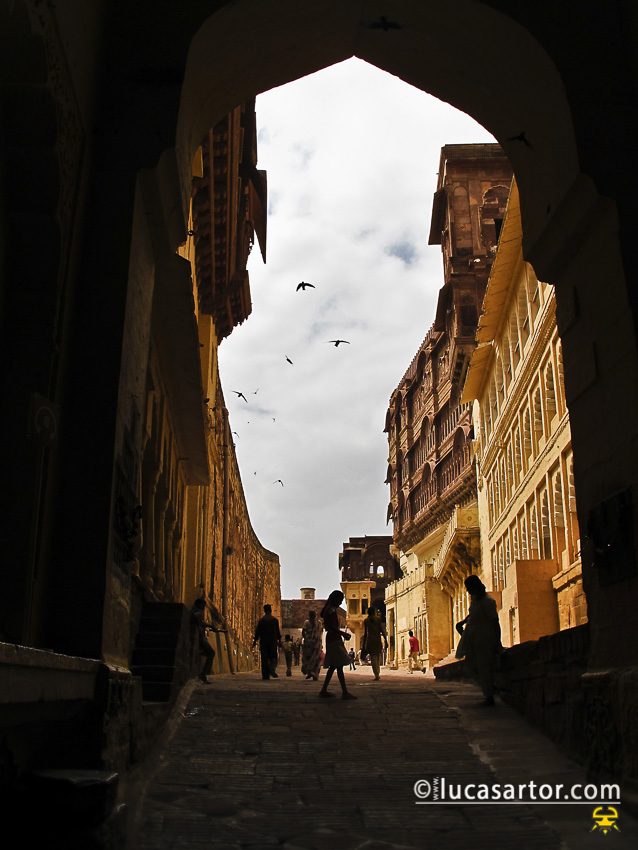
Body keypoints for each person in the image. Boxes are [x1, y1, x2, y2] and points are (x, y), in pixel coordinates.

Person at [455, 575, 502, 705]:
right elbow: (473, 613)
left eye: (469, 588)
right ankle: (490, 690)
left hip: (484, 638)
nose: (468, 591)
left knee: (484, 666)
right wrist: (464, 622)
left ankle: (489, 696)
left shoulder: (488, 601)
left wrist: (498, 642)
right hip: (473, 638)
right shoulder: (475, 599)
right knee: (471, 666)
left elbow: (494, 622)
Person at [318, 590, 356, 699]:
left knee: (335, 666)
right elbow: (331, 627)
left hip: (332, 639)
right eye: (339, 601)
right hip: (334, 639)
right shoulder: (331, 610)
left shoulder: (328, 609)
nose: (340, 603)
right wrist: (343, 633)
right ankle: (344, 692)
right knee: (338, 666)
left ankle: (325, 690)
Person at [190, 597, 216, 684]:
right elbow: (199, 622)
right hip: (200, 637)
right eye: (203, 605)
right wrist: (209, 626)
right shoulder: (197, 612)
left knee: (208, 653)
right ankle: (203, 674)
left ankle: (203, 674)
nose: (204, 608)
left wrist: (210, 626)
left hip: (200, 636)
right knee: (211, 653)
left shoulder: (195, 611)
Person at [253, 604, 282, 680]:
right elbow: (278, 632)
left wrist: (255, 640)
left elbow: (258, 632)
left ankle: (265, 674)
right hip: (272, 641)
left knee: (264, 658)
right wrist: (280, 641)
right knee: (273, 657)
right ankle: (272, 669)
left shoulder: (262, 620)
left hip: (264, 642)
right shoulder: (274, 620)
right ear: (271, 610)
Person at [363, 607, 387, 681]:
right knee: (378, 656)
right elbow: (381, 630)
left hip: (370, 639)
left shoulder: (366, 620)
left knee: (373, 657)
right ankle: (378, 673)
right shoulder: (378, 619)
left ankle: (376, 674)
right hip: (377, 639)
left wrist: (364, 644)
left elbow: (365, 633)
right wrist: (386, 639)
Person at [301, 609, 323, 681]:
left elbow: (303, 632)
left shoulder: (307, 623)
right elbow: (321, 632)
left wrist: (306, 638)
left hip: (310, 643)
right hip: (315, 643)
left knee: (310, 658)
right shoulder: (318, 623)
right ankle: (313, 673)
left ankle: (311, 672)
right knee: (314, 658)